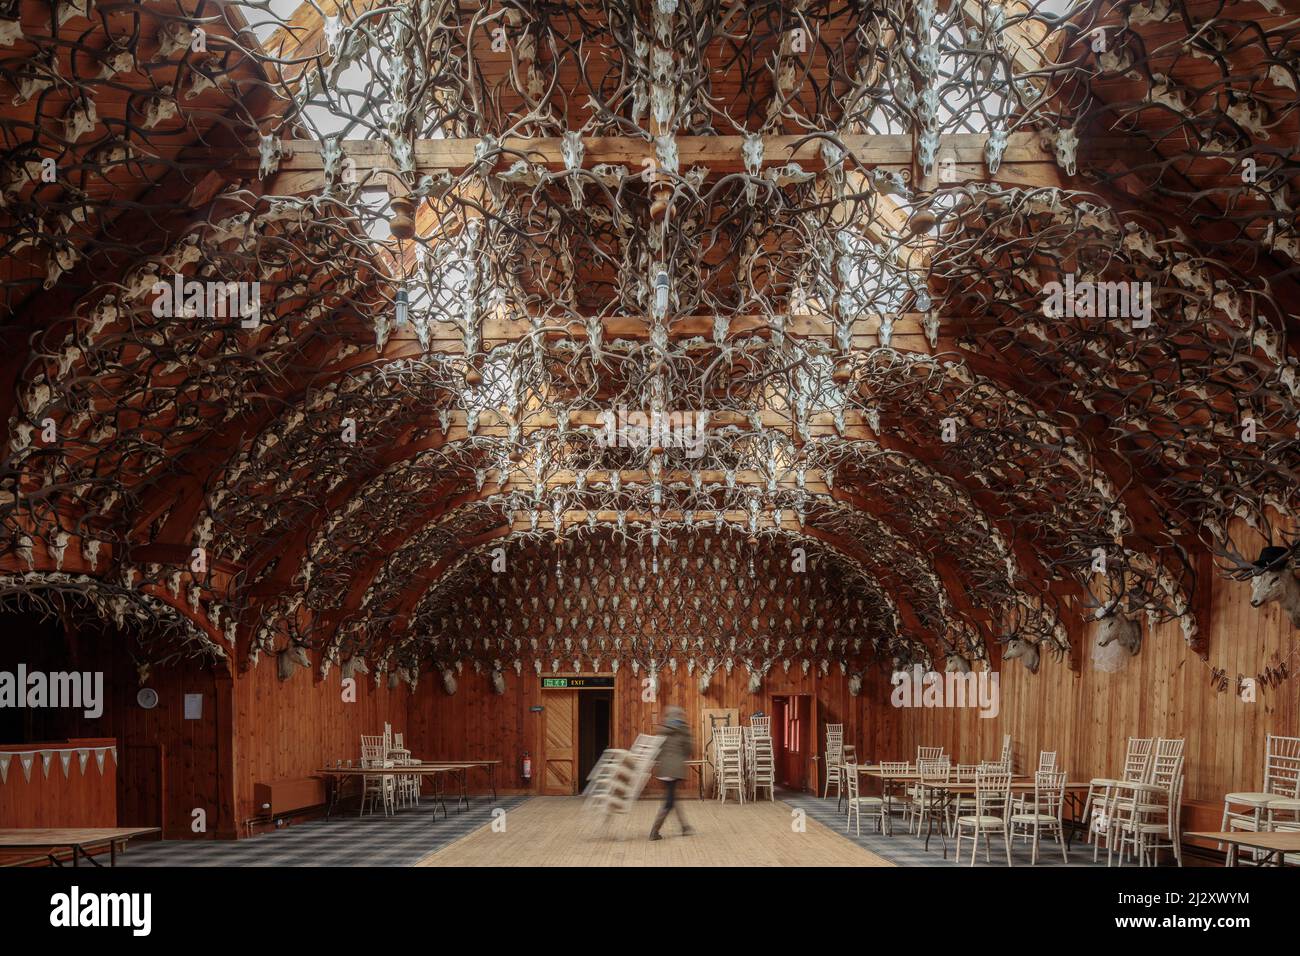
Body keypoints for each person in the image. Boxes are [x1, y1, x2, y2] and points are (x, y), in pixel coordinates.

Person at [650, 704, 694, 840]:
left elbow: (656, 749)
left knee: (673, 797)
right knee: (669, 801)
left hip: (664, 769)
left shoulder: (662, 730)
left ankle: (685, 827)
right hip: (675, 769)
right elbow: (689, 749)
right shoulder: (683, 730)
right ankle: (654, 832)